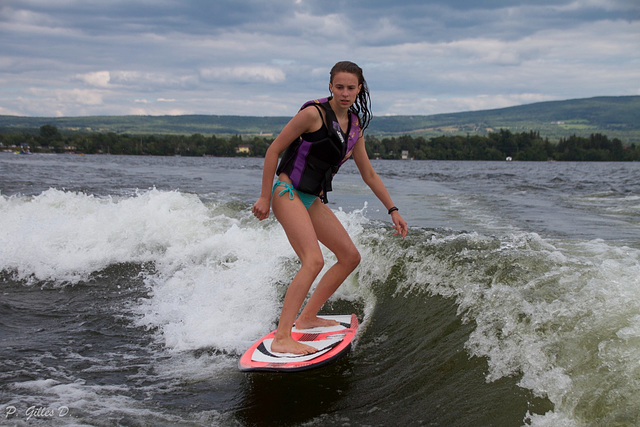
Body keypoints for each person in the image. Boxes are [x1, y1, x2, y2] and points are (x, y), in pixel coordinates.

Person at [252, 61, 408, 355]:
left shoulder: (355, 128)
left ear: (359, 88)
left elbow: (369, 174)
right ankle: (282, 337)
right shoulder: (313, 114)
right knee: (313, 261)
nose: (345, 93)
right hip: (287, 192)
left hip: (312, 199)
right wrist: (263, 197)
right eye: (339, 87)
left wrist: (393, 210)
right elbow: (274, 150)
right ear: (330, 87)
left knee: (349, 256)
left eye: (351, 88)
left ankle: (308, 317)